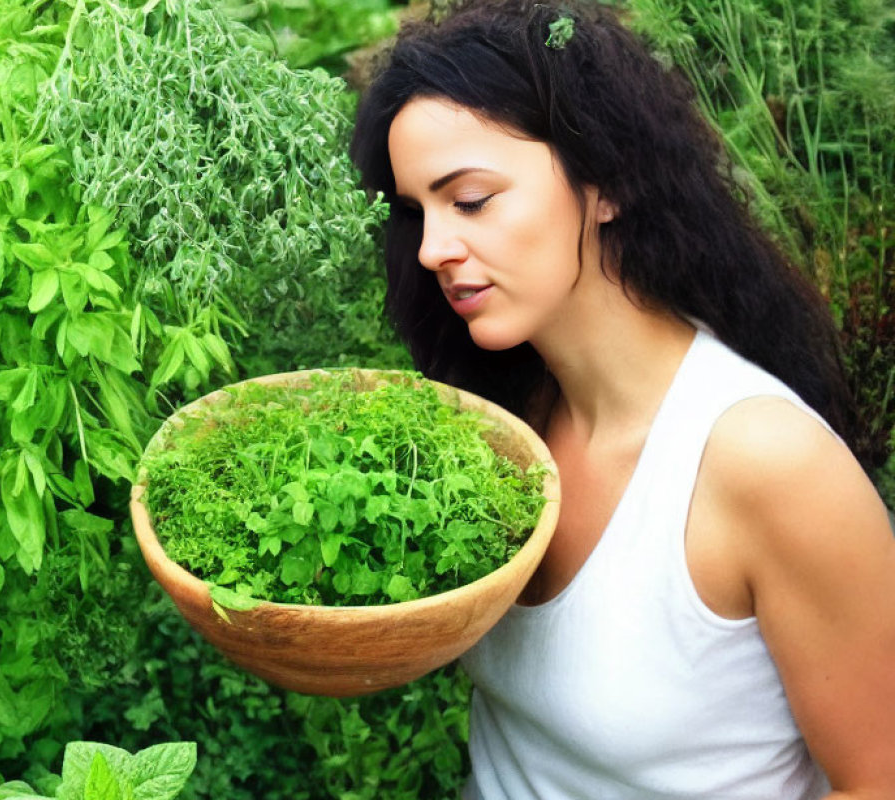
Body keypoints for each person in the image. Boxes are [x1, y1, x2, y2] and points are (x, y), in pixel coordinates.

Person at [349, 1, 895, 798]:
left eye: (468, 200)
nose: (432, 249)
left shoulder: (766, 466)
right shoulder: (502, 425)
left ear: (607, 184)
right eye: (416, 211)